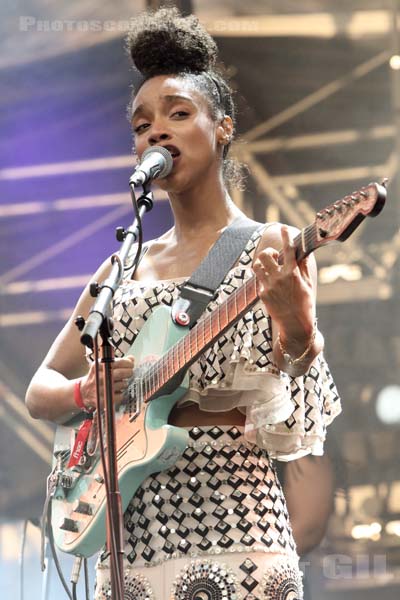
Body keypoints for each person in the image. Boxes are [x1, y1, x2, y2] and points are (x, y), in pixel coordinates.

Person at [26, 8, 341, 599]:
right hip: (131, 535)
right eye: (142, 126)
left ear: (222, 127)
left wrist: (299, 332)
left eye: (178, 113)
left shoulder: (270, 247)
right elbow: (39, 388)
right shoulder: (121, 267)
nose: (156, 132)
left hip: (236, 521)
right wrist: (81, 394)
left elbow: (297, 419)